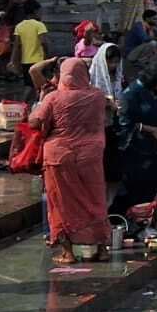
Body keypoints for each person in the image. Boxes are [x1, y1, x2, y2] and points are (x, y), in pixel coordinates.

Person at [30, 57, 111, 262]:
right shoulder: (98, 96)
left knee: (61, 203)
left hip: (60, 156)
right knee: (95, 200)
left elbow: (34, 122)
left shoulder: (53, 98)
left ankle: (68, 252)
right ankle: (102, 248)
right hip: (90, 155)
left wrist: (40, 103)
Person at [110, 63, 157, 220]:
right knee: (139, 191)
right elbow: (124, 125)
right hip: (137, 154)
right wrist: (150, 129)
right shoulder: (131, 95)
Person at [88, 41, 125, 107]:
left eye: (116, 62)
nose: (113, 65)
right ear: (102, 61)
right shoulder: (91, 77)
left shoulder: (119, 76)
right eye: (110, 62)